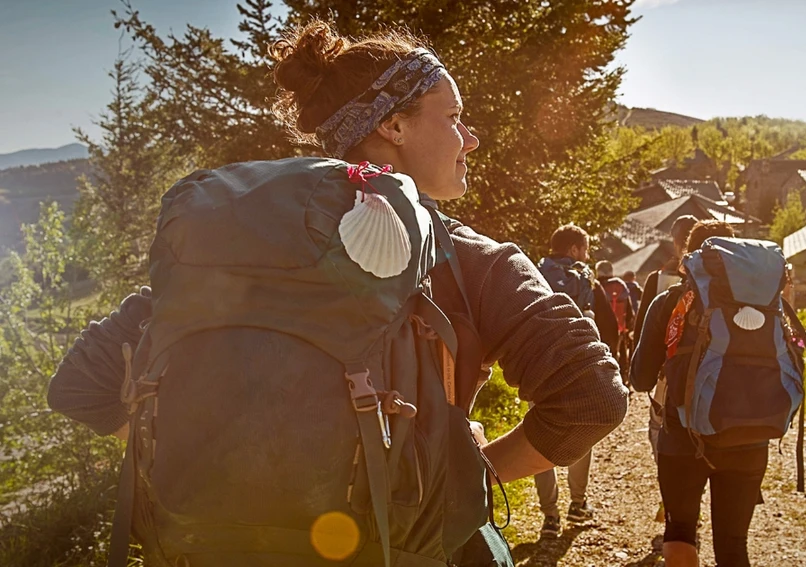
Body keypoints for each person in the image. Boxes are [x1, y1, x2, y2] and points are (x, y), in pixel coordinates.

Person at [47, 22, 628, 567]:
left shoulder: (239, 250)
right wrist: (465, 471)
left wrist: (191, 444)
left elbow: (81, 384)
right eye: (453, 116)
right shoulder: (467, 260)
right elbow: (593, 399)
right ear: (393, 127)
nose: (470, 138)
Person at [631, 220, 769, 567]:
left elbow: (641, 378)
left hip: (682, 438)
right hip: (749, 438)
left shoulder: (670, 301)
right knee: (734, 544)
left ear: (689, 255)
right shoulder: (765, 304)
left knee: (679, 531)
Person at [531, 225, 613, 537]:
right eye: (586, 248)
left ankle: (549, 516)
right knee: (583, 432)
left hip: (537, 367)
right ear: (575, 249)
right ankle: (578, 505)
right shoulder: (583, 275)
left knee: (540, 437)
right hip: (577, 366)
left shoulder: (532, 272)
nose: (588, 254)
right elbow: (603, 322)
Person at [634, 215, 699, 336]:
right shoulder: (708, 278)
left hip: (662, 349)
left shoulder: (656, 279)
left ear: (674, 242)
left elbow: (641, 328)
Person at [595, 260, 634, 386]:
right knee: (621, 353)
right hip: (620, 327)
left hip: (601, 328)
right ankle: (622, 380)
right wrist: (628, 324)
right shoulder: (620, 285)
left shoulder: (596, 286)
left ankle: (604, 382)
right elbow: (629, 309)